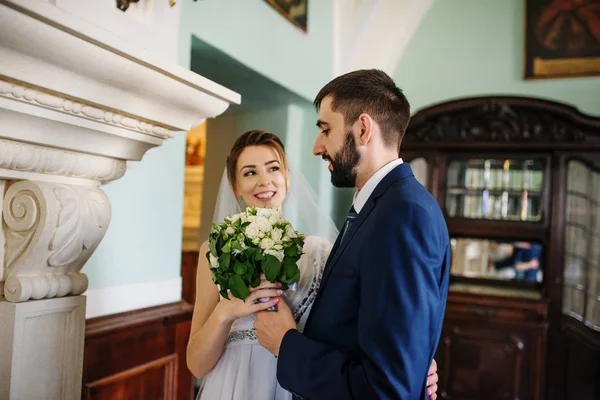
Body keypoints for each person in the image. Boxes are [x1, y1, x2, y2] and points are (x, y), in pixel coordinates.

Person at [186, 129, 440, 399]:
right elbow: (197, 366)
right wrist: (225, 312)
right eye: (250, 172)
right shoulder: (214, 253)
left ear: (287, 178)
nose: (264, 181)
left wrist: (411, 364)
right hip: (232, 388)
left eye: (273, 168)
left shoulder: (321, 253)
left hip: (300, 385)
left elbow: (373, 320)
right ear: (235, 186)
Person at [254, 70, 451, 399]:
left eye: (325, 130)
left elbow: (386, 389)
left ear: (362, 129)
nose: (318, 147)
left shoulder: (403, 216)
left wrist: (286, 344)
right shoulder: (377, 207)